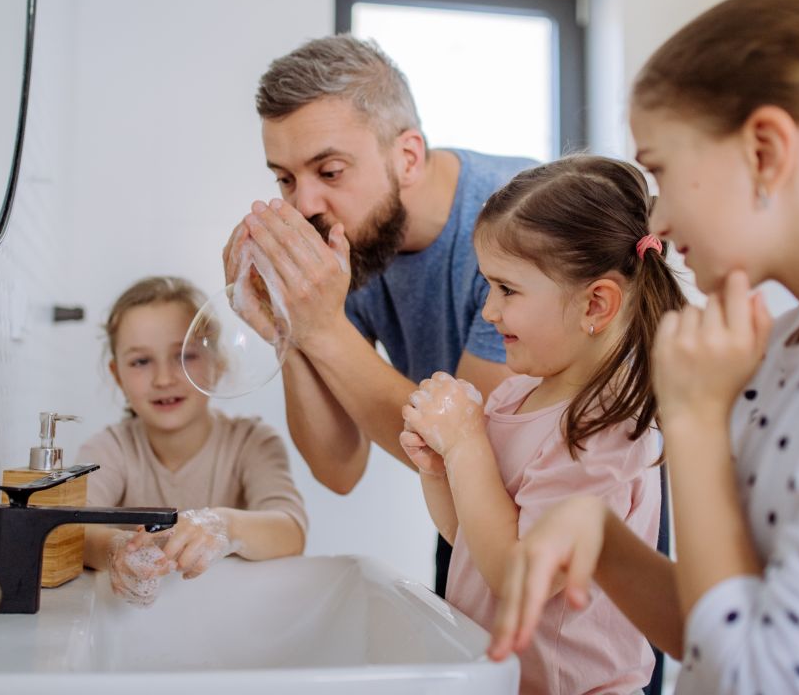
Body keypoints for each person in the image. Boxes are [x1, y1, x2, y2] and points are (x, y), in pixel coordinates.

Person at [487, 0, 799, 694]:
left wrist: (692, 419)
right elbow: (719, 634)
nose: (653, 221)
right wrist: (601, 535)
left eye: (658, 168)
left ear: (765, 150)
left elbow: (766, 680)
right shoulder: (783, 346)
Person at [226, 35, 534, 594]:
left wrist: (321, 326)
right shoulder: (353, 245)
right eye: (285, 178)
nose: (305, 206)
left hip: (568, 522)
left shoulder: (520, 227)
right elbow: (339, 468)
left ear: (408, 157)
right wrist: (288, 332)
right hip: (461, 523)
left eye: (331, 171)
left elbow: (478, 447)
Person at [400, 155, 683, 694]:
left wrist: (465, 447)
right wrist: (439, 471)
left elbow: (516, 575)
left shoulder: (607, 431)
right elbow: (470, 540)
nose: (488, 311)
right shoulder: (517, 393)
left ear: (595, 303)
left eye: (506, 289)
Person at [77, 275, 308, 606]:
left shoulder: (252, 442)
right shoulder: (109, 450)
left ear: (218, 362)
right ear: (117, 375)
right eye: (141, 361)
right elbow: (71, 529)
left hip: (235, 619)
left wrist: (224, 525)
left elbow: (290, 532)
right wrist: (115, 548)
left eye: (185, 356)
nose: (164, 378)